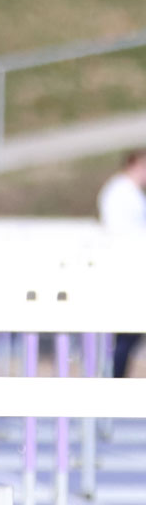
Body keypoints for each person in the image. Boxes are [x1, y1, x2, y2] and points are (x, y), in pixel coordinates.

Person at [97, 151, 146, 377]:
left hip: (132, 266)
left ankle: (116, 377)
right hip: (127, 268)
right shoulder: (121, 192)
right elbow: (123, 233)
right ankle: (114, 379)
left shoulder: (128, 192)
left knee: (129, 334)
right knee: (127, 332)